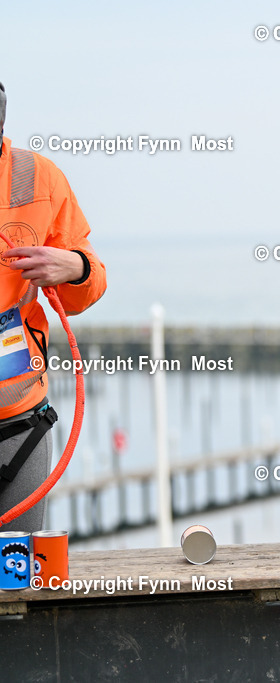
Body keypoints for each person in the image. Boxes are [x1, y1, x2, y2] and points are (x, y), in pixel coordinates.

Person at [0, 81, 107, 531]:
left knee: (14, 575)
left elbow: (88, 287)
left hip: (17, 416)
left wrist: (76, 267)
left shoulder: (37, 177)